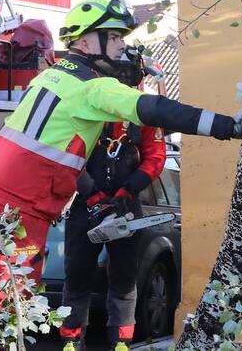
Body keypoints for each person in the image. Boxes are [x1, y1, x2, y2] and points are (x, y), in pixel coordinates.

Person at [0, 0, 240, 351]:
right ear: (85, 43)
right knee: (5, 316)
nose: (122, 45)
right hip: (18, 214)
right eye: (114, 38)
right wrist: (229, 126)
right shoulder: (93, 88)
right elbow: (156, 109)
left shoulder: (52, 75)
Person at [59, 116, 166, 351]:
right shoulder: (84, 110)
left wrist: (127, 191)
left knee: (125, 276)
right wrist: (92, 195)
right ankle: (71, 339)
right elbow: (67, 154)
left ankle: (120, 341)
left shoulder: (143, 115)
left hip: (126, 206)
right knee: (76, 274)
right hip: (85, 206)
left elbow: (156, 158)